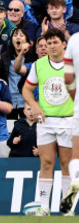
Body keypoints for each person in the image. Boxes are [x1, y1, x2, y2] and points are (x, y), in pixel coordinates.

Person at [22, 29, 74, 216]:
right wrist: (34, 106)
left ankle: (67, 208)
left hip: (68, 119)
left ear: (63, 44)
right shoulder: (39, 65)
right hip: (45, 121)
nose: (51, 47)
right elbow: (26, 90)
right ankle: (43, 206)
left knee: (67, 164)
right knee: (46, 162)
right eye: (48, 43)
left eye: (54, 43)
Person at [62, 31, 79, 214]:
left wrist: (75, 98)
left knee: (77, 154)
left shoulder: (74, 40)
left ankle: (76, 178)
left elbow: (68, 79)